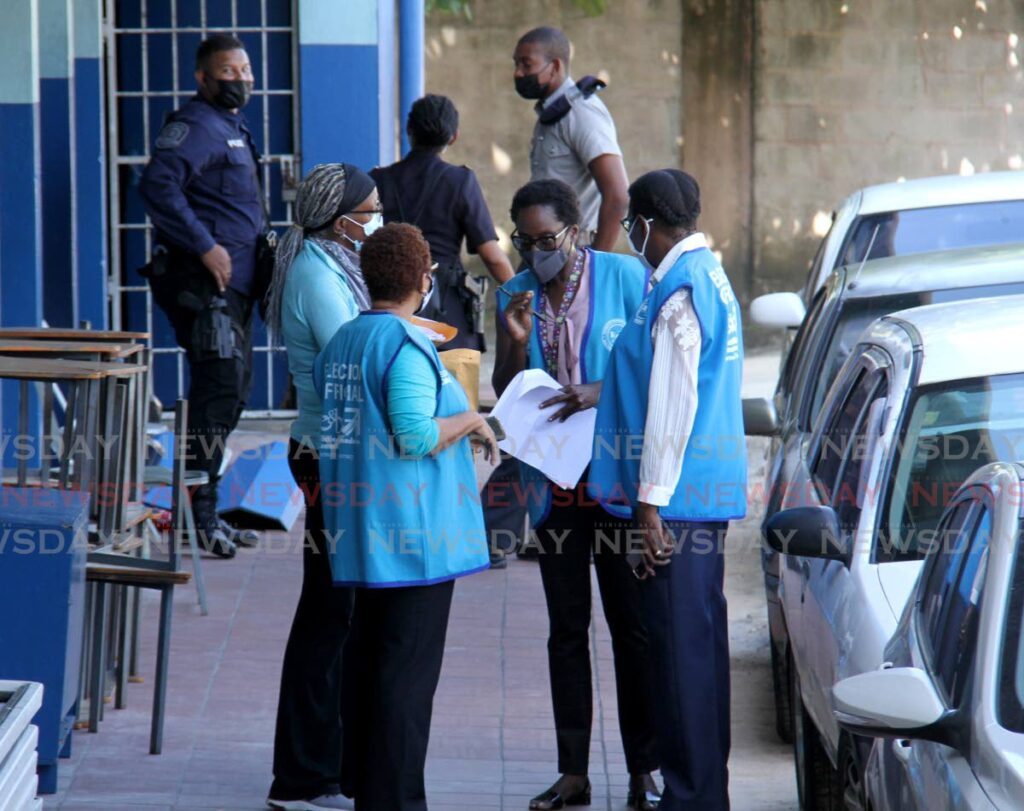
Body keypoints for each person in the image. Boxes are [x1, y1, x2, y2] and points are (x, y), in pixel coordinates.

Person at [315, 222, 497, 810]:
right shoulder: (406, 346)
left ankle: (368, 789)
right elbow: (416, 436)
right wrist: (471, 419)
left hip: (361, 532)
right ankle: (396, 800)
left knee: (369, 666)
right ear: (424, 277)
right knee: (405, 683)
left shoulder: (344, 339)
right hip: (414, 540)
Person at [493, 179, 661, 811]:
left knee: (631, 628)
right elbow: (508, 392)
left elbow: (654, 370)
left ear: (579, 231)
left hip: (616, 484)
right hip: (554, 487)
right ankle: (573, 774)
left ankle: (644, 770)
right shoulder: (516, 291)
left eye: (548, 239)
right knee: (567, 630)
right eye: (525, 241)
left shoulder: (625, 277)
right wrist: (512, 339)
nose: (538, 252)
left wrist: (599, 389)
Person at [589, 170, 747, 811]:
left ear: (650, 224)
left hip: (676, 502)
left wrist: (648, 505)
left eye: (633, 225)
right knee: (698, 651)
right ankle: (702, 790)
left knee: (681, 661)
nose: (631, 237)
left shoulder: (681, 292)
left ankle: (690, 796)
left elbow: (673, 407)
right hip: (698, 497)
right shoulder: (705, 275)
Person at [264, 163, 378, 811]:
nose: (379, 218)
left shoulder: (332, 262)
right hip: (326, 457)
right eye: (373, 209)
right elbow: (354, 355)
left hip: (335, 451)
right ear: (344, 221)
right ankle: (303, 778)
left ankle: (324, 765)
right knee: (327, 616)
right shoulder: (315, 271)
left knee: (336, 612)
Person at [140, 33, 268, 557]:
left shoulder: (231, 126)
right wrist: (206, 246)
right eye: (227, 71)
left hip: (234, 288)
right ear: (202, 77)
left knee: (230, 394)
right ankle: (196, 515)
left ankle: (202, 510)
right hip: (202, 282)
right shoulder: (194, 126)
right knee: (218, 389)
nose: (239, 78)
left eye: (244, 70)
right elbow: (157, 187)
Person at [371, 93, 513, 359]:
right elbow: (492, 256)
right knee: (455, 393)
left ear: (408, 130)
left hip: (387, 302)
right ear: (454, 136)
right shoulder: (460, 181)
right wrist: (522, 294)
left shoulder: (378, 180)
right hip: (447, 313)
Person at [513, 26, 629, 252]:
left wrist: (596, 265)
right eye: (516, 64)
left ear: (555, 66)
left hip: (574, 251)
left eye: (526, 65)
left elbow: (618, 195)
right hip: (544, 248)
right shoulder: (551, 115)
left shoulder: (581, 113)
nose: (518, 73)